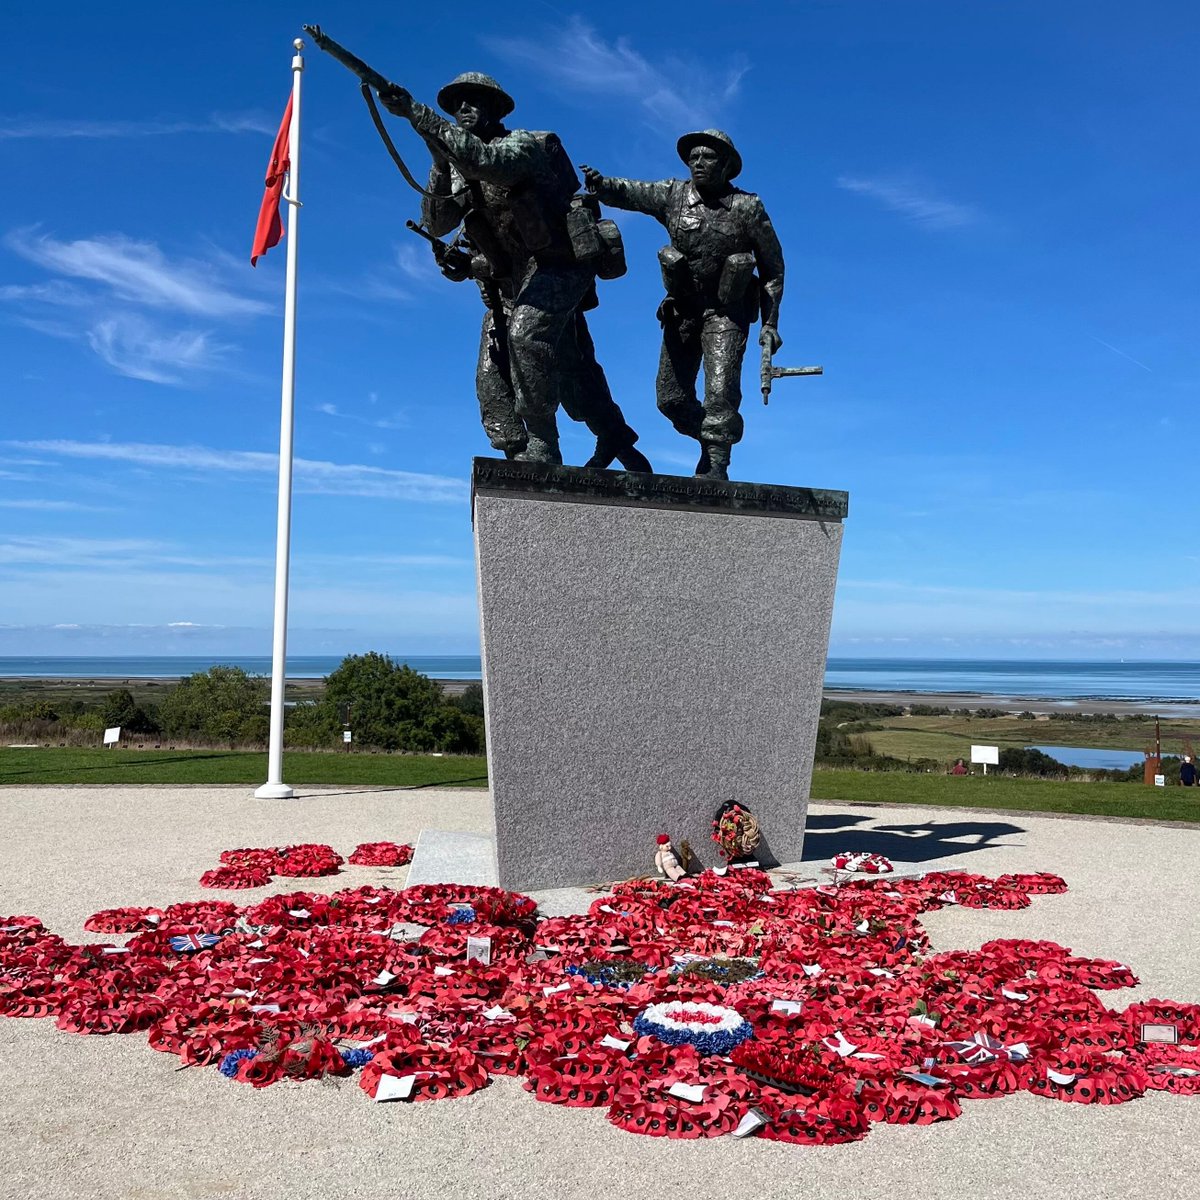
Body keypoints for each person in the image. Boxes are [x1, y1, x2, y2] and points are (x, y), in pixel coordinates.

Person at [381, 73, 650, 471]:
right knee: (505, 372)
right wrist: (439, 159)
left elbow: (487, 163)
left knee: (527, 336)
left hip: (560, 265)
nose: (462, 110)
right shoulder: (456, 166)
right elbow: (437, 222)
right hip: (510, 281)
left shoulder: (525, 145)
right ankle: (571, 443)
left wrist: (417, 115)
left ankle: (543, 444)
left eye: (474, 101)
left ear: (496, 108)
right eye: (456, 105)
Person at [581, 131, 785, 480]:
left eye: (707, 158)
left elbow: (773, 268)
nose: (698, 164)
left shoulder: (748, 207)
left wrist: (770, 323)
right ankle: (713, 437)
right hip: (683, 308)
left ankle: (717, 463)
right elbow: (633, 193)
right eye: (693, 158)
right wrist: (602, 185)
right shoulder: (673, 194)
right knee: (670, 398)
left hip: (727, 311)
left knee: (721, 392)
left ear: (726, 166)